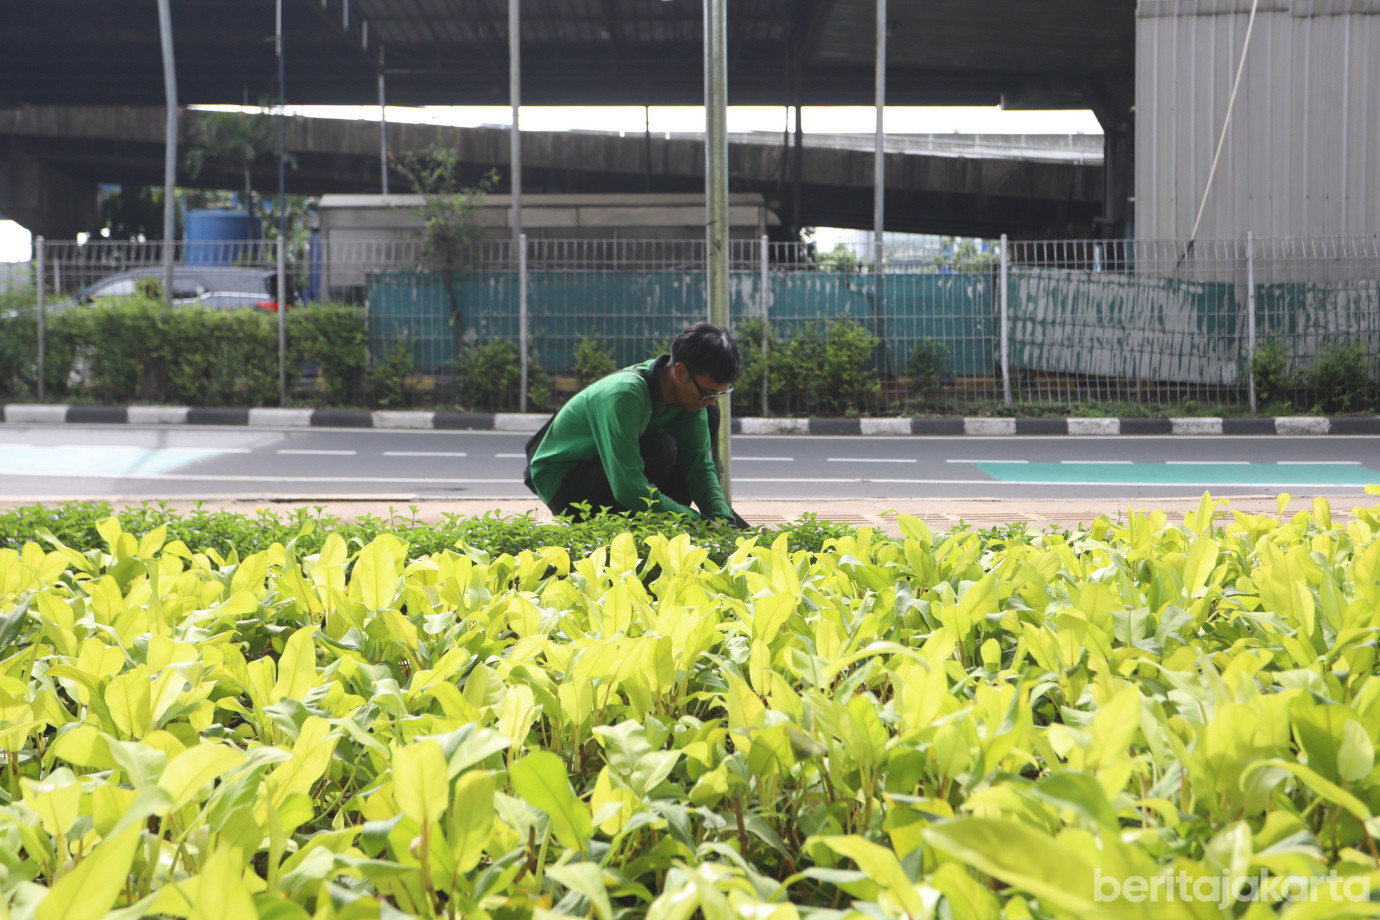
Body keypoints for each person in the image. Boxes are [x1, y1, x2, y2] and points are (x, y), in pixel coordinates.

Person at [523, 322, 749, 526]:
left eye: (718, 394)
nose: (710, 400)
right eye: (707, 393)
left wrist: (724, 520)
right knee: (661, 448)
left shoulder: (691, 399)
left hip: (610, 476)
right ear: (680, 372)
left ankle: (665, 525)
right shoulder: (624, 394)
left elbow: (698, 466)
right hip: (566, 484)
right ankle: (656, 526)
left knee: (710, 415)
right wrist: (696, 522)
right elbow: (628, 487)